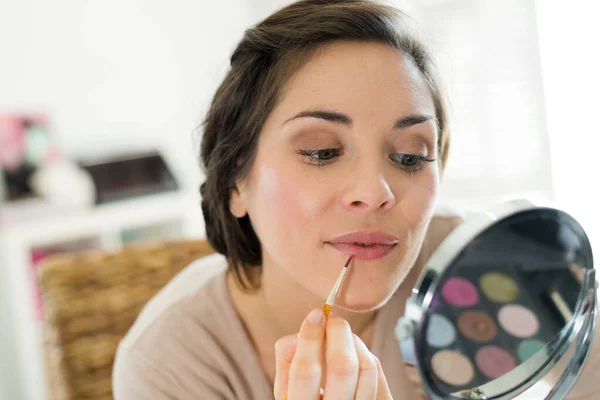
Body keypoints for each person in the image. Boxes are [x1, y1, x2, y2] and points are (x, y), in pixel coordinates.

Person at [113, 0, 600, 399]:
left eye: (410, 157)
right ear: (235, 181)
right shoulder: (171, 364)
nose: (375, 191)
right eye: (322, 152)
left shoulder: (484, 269)